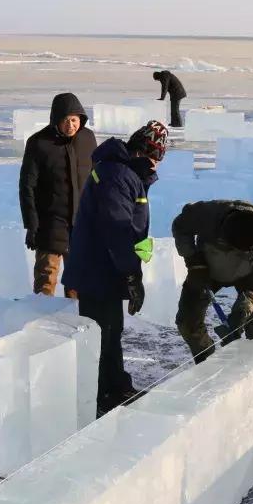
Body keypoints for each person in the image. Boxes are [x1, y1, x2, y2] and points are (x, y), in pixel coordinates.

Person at [62, 120, 168, 413]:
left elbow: (132, 227)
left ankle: (116, 384)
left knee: (112, 329)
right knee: (102, 333)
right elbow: (117, 229)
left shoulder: (126, 173)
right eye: (155, 156)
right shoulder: (117, 175)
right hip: (97, 268)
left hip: (107, 267)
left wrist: (136, 265)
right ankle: (101, 394)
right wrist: (132, 275)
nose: (157, 164)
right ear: (141, 151)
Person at [171, 200, 253, 363]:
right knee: (187, 321)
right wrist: (194, 263)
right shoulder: (207, 214)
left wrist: (244, 307)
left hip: (249, 278)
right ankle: (207, 362)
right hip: (205, 270)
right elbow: (180, 226)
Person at [19, 93, 97, 295]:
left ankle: (75, 315)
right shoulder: (39, 143)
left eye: (74, 120)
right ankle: (41, 314)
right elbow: (27, 186)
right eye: (65, 120)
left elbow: (97, 179)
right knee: (45, 280)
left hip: (81, 225)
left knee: (79, 285)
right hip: (50, 225)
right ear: (56, 120)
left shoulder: (88, 139)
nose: (71, 125)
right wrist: (31, 224)